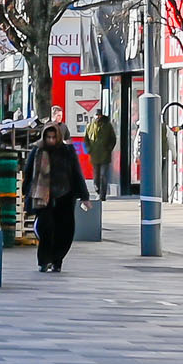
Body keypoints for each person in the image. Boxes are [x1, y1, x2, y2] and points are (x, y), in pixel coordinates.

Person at [24, 122, 90, 273]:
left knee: (64, 230)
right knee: (45, 228)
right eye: (48, 137)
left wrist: (84, 196)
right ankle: (44, 261)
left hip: (65, 196)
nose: (51, 140)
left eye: (54, 137)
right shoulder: (37, 150)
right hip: (43, 196)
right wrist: (27, 193)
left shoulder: (67, 151)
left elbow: (76, 173)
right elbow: (28, 173)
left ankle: (57, 259)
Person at [86, 112, 117, 202]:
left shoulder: (107, 126)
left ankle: (102, 195)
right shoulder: (90, 126)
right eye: (96, 115)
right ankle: (97, 191)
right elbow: (86, 139)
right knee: (96, 176)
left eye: (99, 115)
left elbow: (113, 139)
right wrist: (89, 150)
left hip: (105, 155)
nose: (97, 117)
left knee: (103, 175)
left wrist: (109, 149)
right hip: (94, 155)